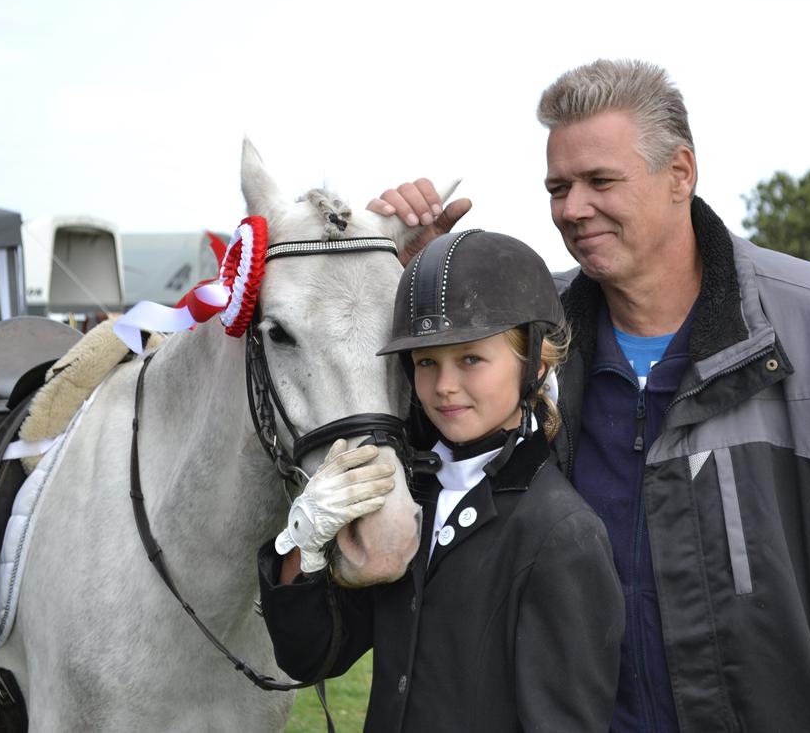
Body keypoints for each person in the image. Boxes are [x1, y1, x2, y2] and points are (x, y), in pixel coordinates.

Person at [368, 58, 810, 732]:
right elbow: (421, 467)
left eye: (599, 181)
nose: (571, 209)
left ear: (681, 173)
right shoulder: (527, 338)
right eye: (558, 186)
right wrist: (423, 288)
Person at [257, 230, 625, 732]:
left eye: (470, 358)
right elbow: (312, 658)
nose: (444, 386)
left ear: (536, 365)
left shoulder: (562, 534)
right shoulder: (410, 498)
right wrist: (305, 543)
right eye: (426, 362)